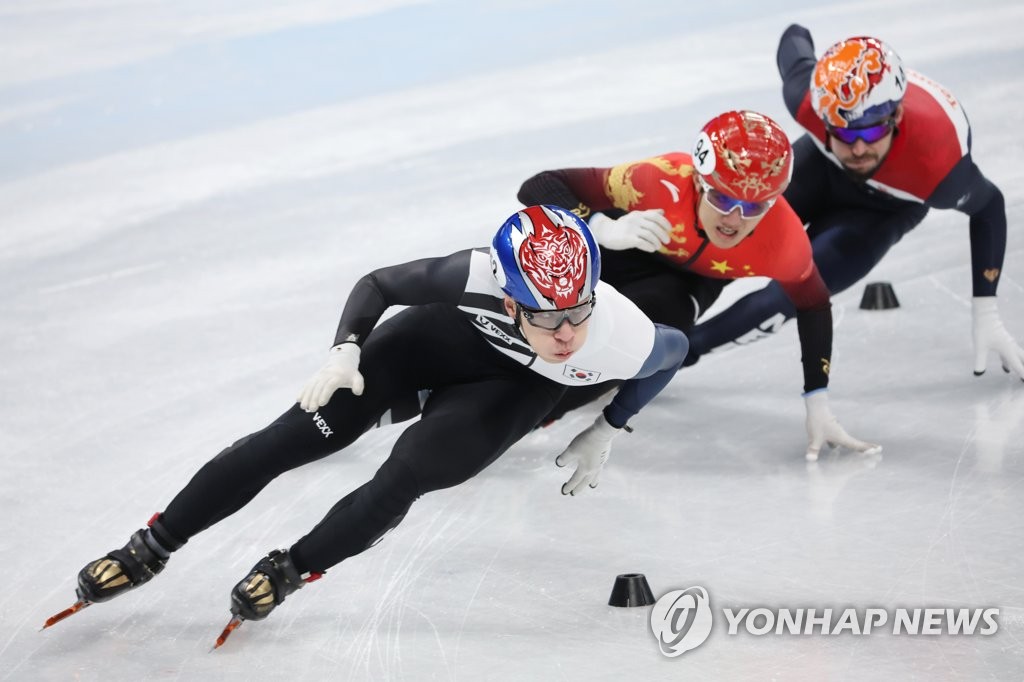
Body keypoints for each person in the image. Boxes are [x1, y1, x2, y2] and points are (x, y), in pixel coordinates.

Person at [52, 205, 688, 643]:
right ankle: (150, 548)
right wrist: (345, 348)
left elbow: (675, 352)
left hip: (511, 391)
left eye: (576, 310)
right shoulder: (476, 273)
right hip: (433, 344)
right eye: (545, 318)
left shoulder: (622, 338)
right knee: (289, 438)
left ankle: (290, 570)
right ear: (506, 294)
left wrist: (611, 424)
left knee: (405, 474)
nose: (568, 333)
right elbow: (380, 284)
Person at [518, 110, 879, 461]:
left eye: (753, 207)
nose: (734, 219)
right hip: (625, 245)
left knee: (655, 328)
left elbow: (813, 304)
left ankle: (532, 412)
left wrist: (817, 400)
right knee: (554, 256)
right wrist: (600, 226)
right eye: (722, 198)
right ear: (698, 181)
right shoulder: (660, 178)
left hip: (686, 285)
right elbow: (539, 187)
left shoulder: (783, 241)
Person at [685, 26, 1024, 381]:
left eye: (873, 131)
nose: (859, 148)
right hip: (821, 167)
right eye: (846, 132)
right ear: (824, 117)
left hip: (884, 211)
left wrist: (986, 309)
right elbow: (794, 37)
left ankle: (673, 357)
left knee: (786, 297)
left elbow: (989, 207)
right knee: (723, 241)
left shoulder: (940, 168)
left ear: (896, 116)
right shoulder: (806, 98)